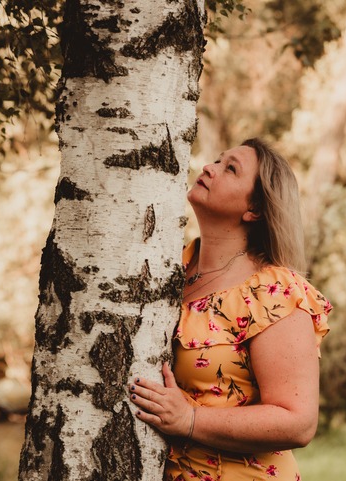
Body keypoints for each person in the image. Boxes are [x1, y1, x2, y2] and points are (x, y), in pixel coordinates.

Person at [128, 138, 332, 481]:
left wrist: (188, 419)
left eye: (230, 168)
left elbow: (298, 421)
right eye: (218, 160)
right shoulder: (168, 271)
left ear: (254, 209)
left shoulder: (273, 292)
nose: (209, 167)